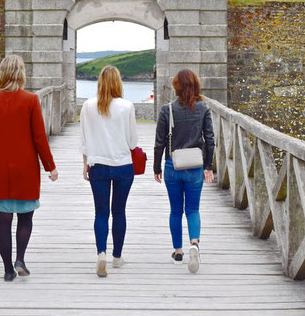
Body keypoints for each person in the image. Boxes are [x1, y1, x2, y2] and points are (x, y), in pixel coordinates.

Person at [0, 54, 59, 281]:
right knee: (25, 218)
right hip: (26, 167)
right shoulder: (30, 100)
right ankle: (20, 258)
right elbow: (40, 137)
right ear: (21, 74)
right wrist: (50, 166)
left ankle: (8, 269)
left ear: (1, 73)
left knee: (3, 221)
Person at [153, 69, 215, 273]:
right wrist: (208, 166)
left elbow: (159, 142)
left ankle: (178, 252)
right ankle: (194, 243)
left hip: (173, 165)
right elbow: (210, 139)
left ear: (177, 87)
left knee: (176, 211)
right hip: (195, 166)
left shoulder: (167, 109)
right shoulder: (203, 108)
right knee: (193, 210)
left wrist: (156, 167)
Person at [80, 66, 138, 277]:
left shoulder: (87, 106)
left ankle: (101, 253)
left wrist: (85, 163)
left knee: (101, 212)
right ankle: (117, 257)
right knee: (119, 211)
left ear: (100, 82)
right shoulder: (127, 106)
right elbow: (133, 141)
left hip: (98, 166)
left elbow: (84, 140)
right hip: (123, 165)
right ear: (118, 82)